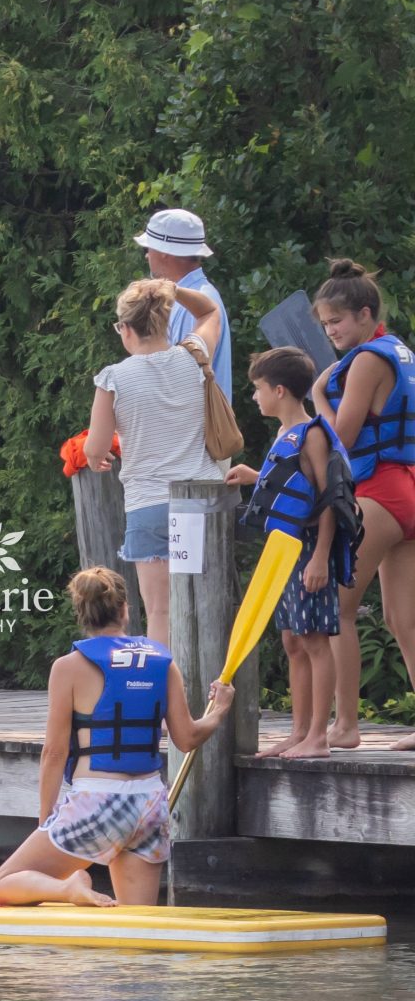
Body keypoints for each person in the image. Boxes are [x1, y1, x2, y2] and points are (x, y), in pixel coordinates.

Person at [0, 567, 233, 907]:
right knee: (135, 928)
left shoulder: (68, 667)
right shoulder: (163, 662)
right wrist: (219, 710)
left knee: (2, 885)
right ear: (124, 609)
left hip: (97, 802)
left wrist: (46, 818)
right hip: (149, 803)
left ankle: (68, 889)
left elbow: (55, 753)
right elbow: (188, 738)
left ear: (81, 613)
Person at [226, 347, 358, 759]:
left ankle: (319, 736)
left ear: (279, 390)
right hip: (282, 553)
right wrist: (255, 476)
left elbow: (328, 499)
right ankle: (299, 731)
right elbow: (288, 484)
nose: (254, 397)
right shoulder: (285, 435)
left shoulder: (311, 433)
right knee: (292, 641)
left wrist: (320, 557)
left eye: (258, 389)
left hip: (306, 554)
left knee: (315, 641)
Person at [305, 259, 415, 751]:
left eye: (337, 322)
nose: (331, 332)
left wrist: (316, 397)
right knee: (402, 618)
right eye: (325, 325)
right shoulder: (399, 351)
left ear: (366, 313)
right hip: (407, 489)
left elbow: (342, 438)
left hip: (381, 493)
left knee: (338, 610)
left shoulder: (368, 360)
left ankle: (345, 726)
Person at [86, 279, 226, 642]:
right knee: (206, 607)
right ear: (164, 321)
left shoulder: (114, 378)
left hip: (148, 505)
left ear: (126, 329)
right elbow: (210, 311)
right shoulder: (194, 354)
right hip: (199, 501)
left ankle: (164, 695)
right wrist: (170, 290)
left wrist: (95, 459)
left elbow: (96, 447)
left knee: (160, 611)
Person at [136, 209, 230, 397]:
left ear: (164, 252)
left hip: (195, 426)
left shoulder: (193, 306)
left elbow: (184, 380)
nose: (147, 255)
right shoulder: (198, 297)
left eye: (149, 248)